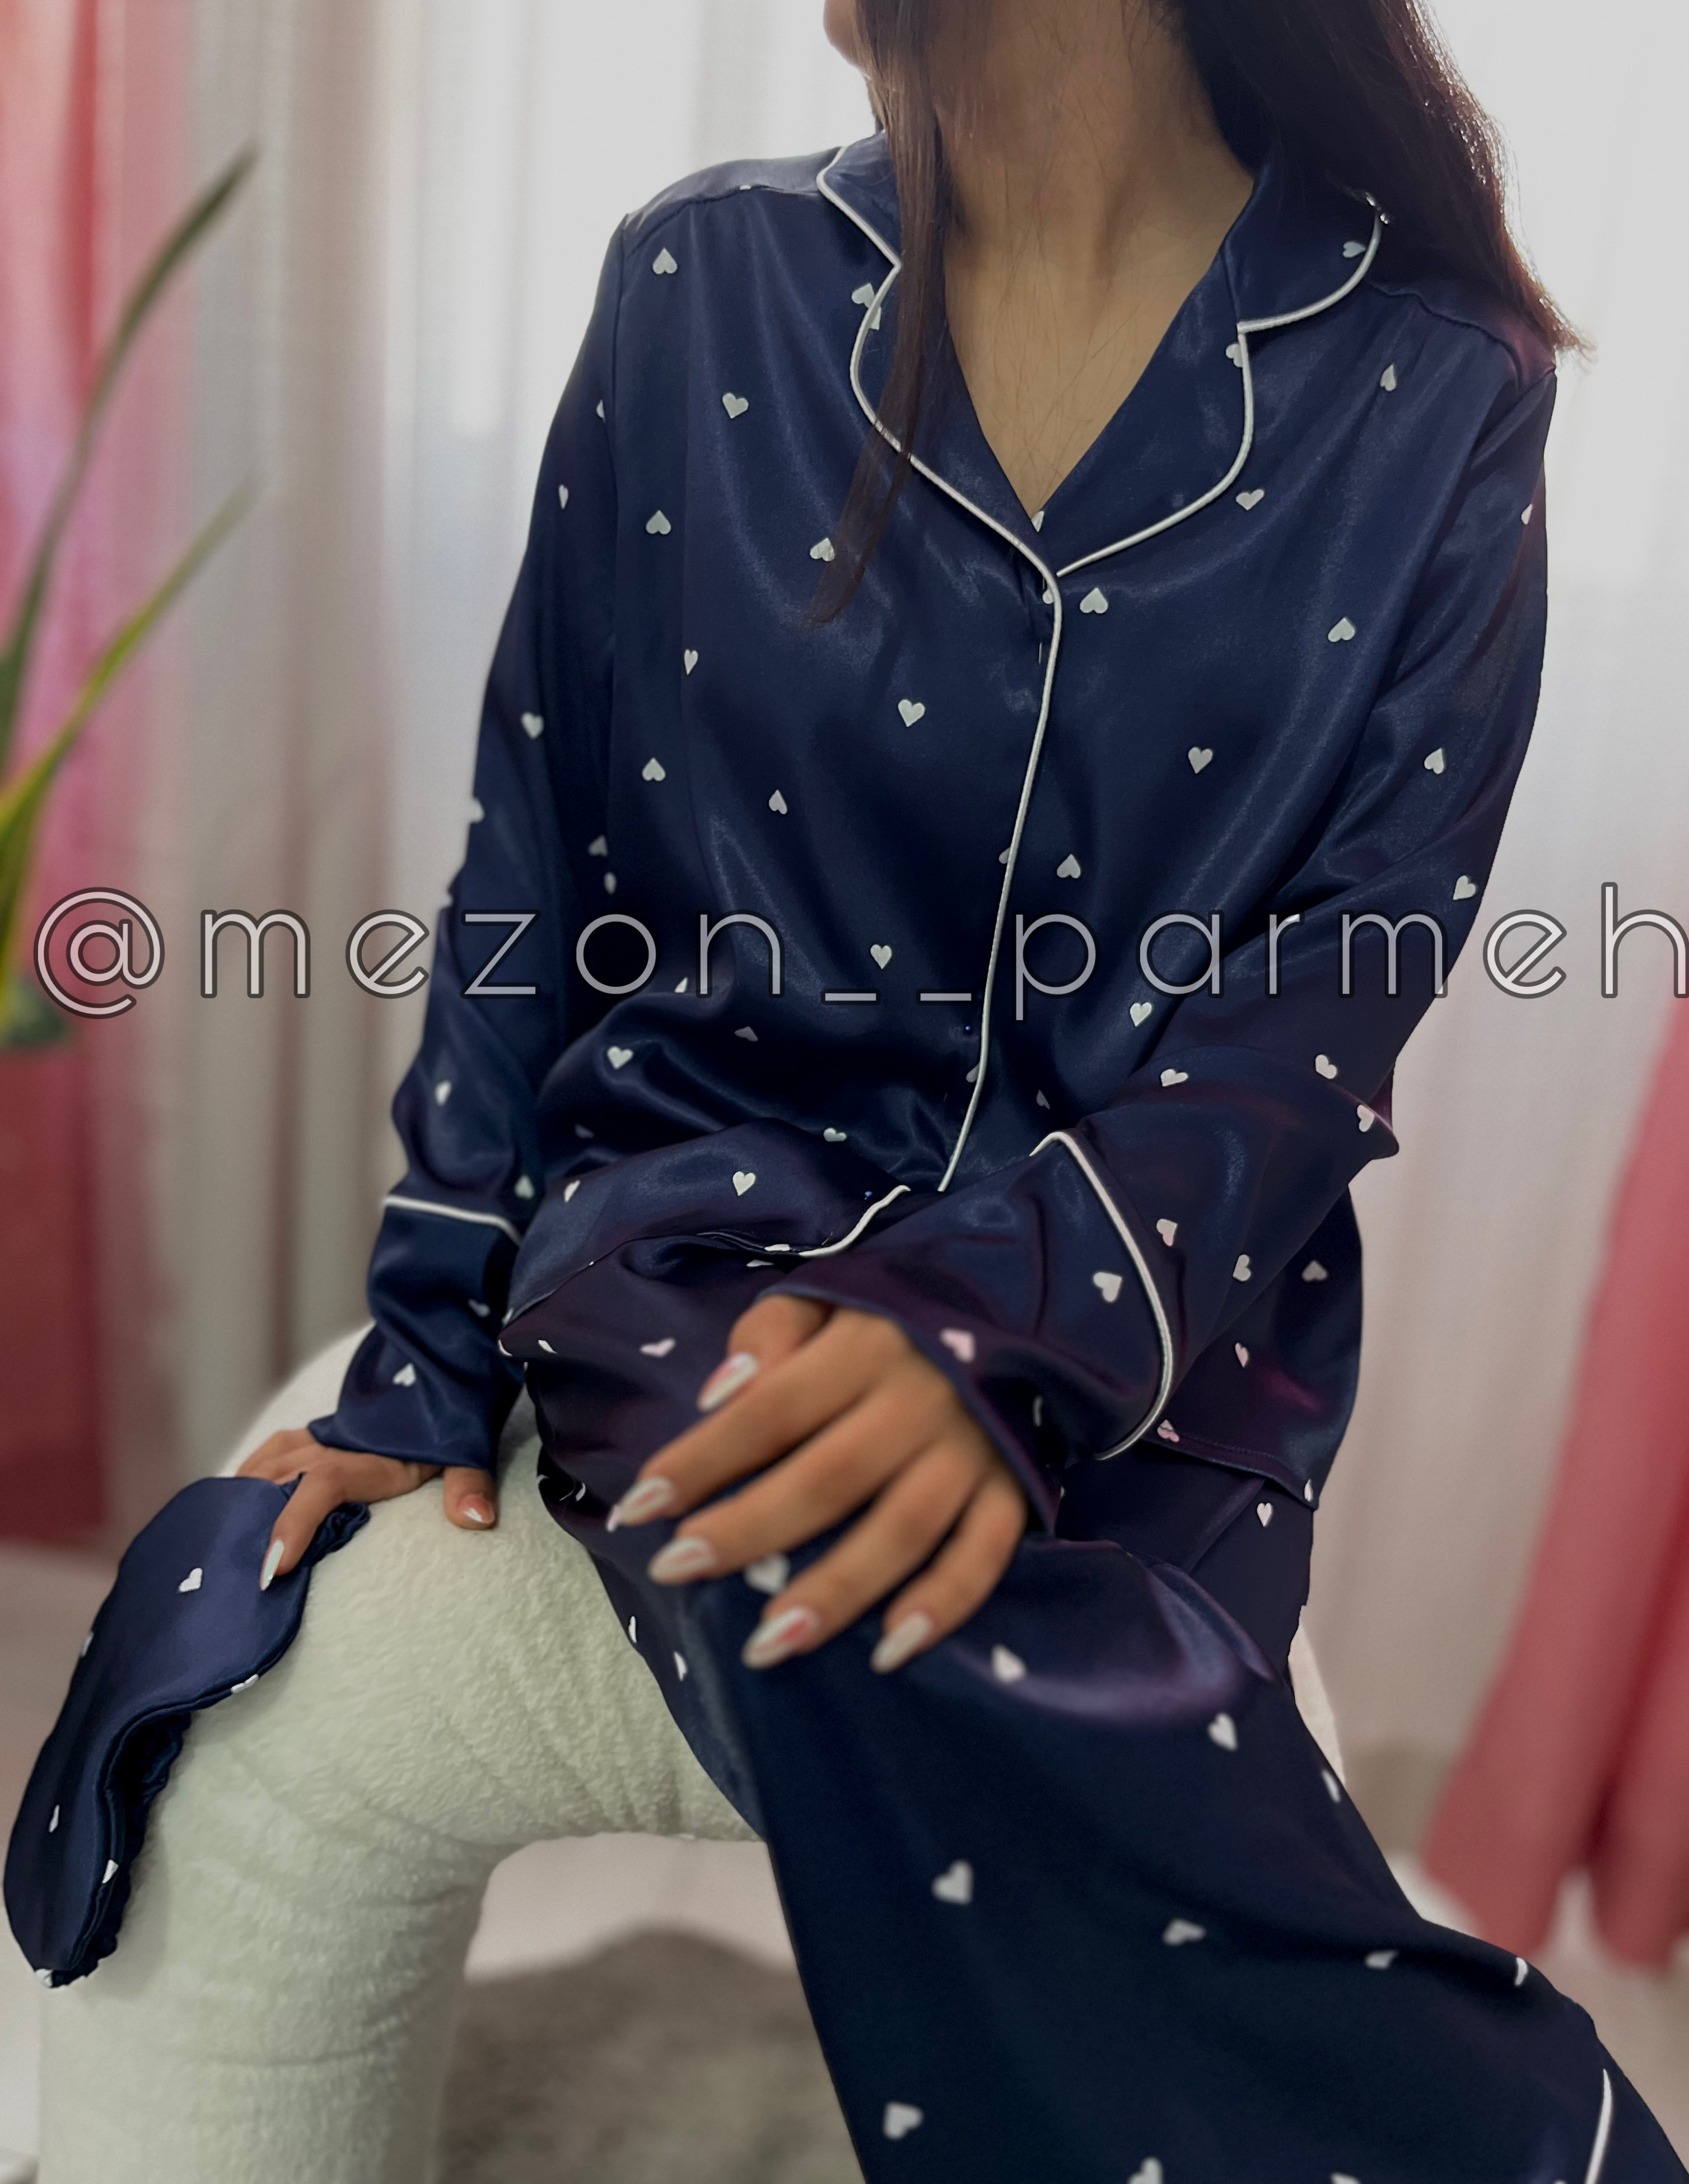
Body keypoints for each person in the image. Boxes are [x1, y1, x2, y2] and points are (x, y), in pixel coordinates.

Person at [13, 1, 1686, 2178]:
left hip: (1168, 1311)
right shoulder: (700, 282)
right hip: (694, 1224)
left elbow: (1329, 1001)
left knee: (1013, 1606)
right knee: (803, 1479)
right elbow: (535, 864)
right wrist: (425, 1351)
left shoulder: (1440, 383)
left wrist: (1003, 1322)